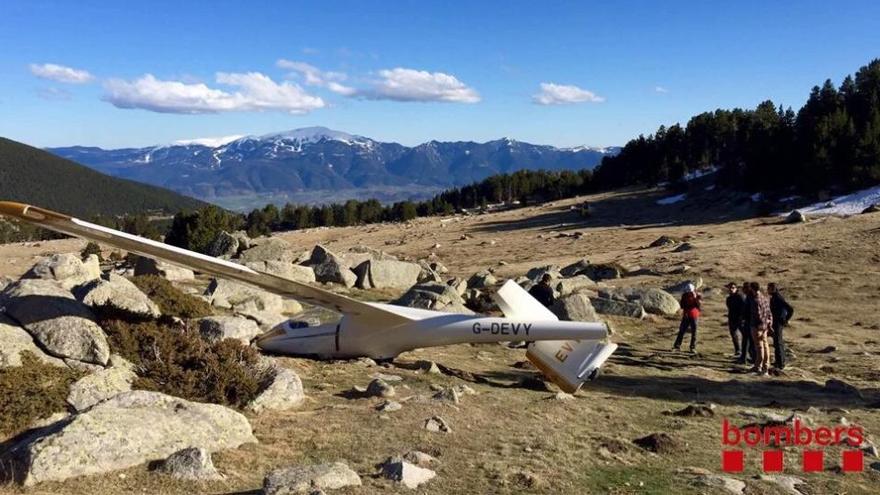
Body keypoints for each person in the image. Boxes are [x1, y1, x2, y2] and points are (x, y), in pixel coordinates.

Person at [747, 281, 773, 376]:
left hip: (757, 326)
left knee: (759, 347)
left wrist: (759, 324)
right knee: (765, 345)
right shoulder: (765, 298)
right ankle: (765, 366)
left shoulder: (755, 300)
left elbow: (758, 315)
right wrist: (768, 323)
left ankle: (758, 366)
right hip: (765, 326)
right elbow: (769, 312)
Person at [768, 282, 794, 370]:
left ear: (774, 289)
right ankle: (779, 361)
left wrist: (785, 319)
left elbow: (790, 309)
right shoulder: (774, 297)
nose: (768, 290)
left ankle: (781, 363)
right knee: (777, 342)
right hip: (775, 322)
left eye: (770, 288)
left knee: (778, 342)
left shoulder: (778, 298)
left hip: (778, 322)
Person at [673, 283, 701, 352]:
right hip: (686, 315)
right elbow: (682, 305)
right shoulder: (684, 295)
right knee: (681, 331)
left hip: (694, 315)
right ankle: (677, 346)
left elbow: (698, 306)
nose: (689, 293)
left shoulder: (697, 296)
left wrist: (695, 298)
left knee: (694, 331)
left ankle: (692, 347)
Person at [725, 282, 745, 356]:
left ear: (736, 288)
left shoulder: (740, 297)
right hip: (732, 318)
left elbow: (744, 307)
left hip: (740, 319)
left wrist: (742, 317)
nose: (731, 289)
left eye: (733, 288)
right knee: (734, 335)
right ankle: (738, 350)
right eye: (730, 288)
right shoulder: (729, 298)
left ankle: (747, 351)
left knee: (745, 335)